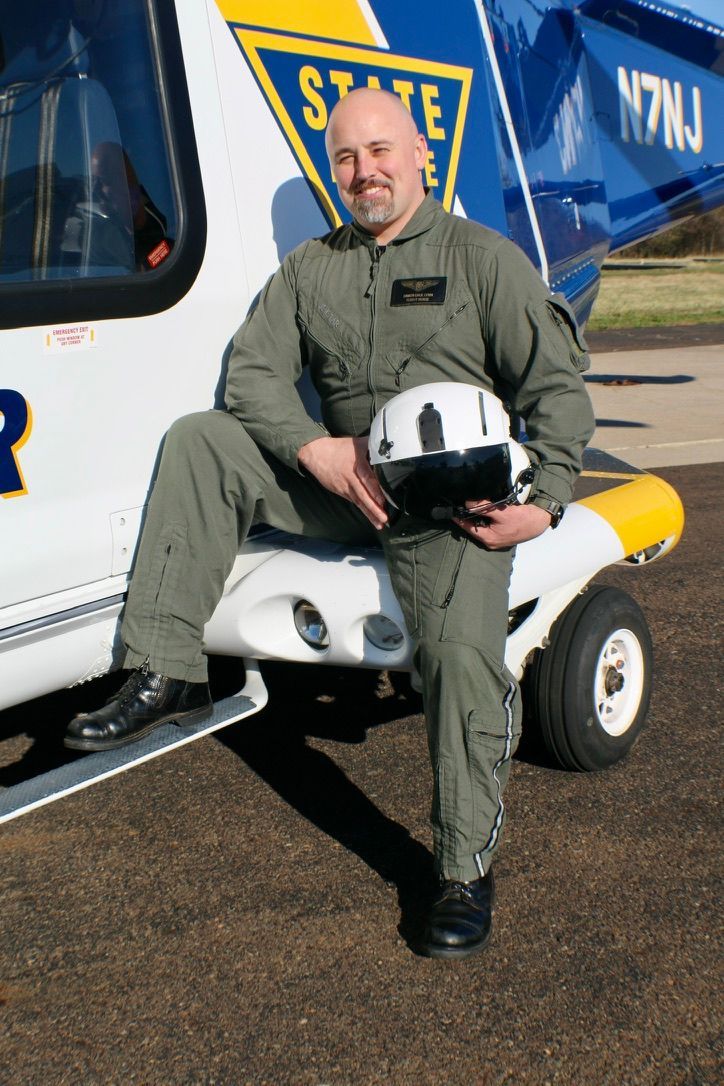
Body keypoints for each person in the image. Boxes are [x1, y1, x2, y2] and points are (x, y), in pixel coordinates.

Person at [65, 88, 595, 959]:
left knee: (460, 658)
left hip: (444, 508)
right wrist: (316, 452)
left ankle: (461, 868)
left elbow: (557, 396)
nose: (365, 172)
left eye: (381, 151)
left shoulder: (482, 260)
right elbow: (252, 379)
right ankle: (163, 671)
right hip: (344, 486)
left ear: (420, 154)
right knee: (205, 440)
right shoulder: (313, 269)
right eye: (346, 158)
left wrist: (541, 505)